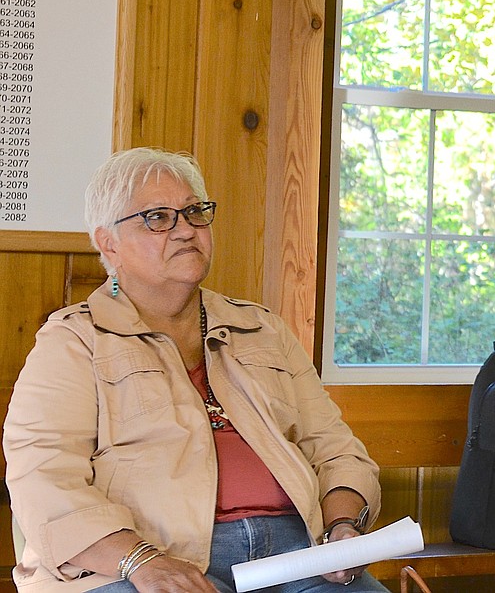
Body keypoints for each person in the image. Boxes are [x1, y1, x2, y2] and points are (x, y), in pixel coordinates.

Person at [3, 148, 389, 593]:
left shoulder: (263, 329)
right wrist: (140, 561)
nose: (185, 229)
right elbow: (44, 476)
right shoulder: (74, 341)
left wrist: (343, 526)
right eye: (158, 217)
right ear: (109, 243)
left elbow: (336, 451)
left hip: (297, 555)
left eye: (194, 212)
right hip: (143, 561)